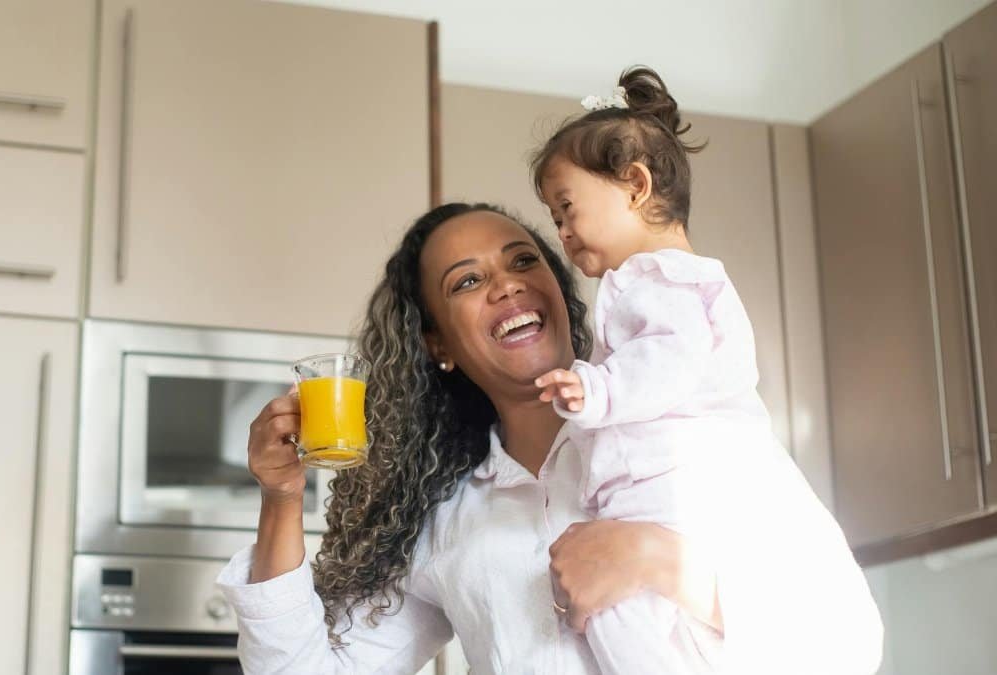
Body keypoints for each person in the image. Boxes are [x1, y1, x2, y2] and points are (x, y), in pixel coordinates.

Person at [216, 202, 882, 674]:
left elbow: (849, 641)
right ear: (438, 344)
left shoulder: (689, 432)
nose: (506, 284)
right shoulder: (449, 521)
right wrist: (280, 496)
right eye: (468, 281)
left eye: (522, 260)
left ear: (558, 290)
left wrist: (658, 558)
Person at [530, 66, 882, 673]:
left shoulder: (667, 279)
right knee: (624, 617)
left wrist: (597, 387)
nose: (560, 233)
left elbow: (670, 359)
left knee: (629, 616)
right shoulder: (643, 283)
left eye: (566, 209)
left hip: (691, 483)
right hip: (658, 498)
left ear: (635, 186)